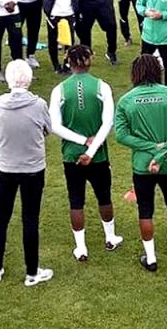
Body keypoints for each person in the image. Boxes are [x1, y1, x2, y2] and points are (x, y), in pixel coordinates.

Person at [115, 54, 167, 272]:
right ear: (158, 71)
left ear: (135, 73)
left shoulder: (126, 100)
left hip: (142, 166)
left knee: (145, 210)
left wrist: (150, 148)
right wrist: (162, 150)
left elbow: (121, 135)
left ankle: (151, 258)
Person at [49, 45, 123, 261]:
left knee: (76, 200)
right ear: (89, 61)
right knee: (104, 196)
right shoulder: (102, 86)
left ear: (68, 62)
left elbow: (55, 126)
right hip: (98, 154)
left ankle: (81, 248)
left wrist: (81, 142)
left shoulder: (59, 90)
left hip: (71, 154)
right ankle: (110, 238)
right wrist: (91, 149)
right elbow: (108, 122)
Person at [0, 59, 53, 286]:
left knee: (1, 217)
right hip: (32, 169)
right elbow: (47, 129)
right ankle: (32, 273)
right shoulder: (39, 104)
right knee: (30, 219)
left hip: (6, 167)